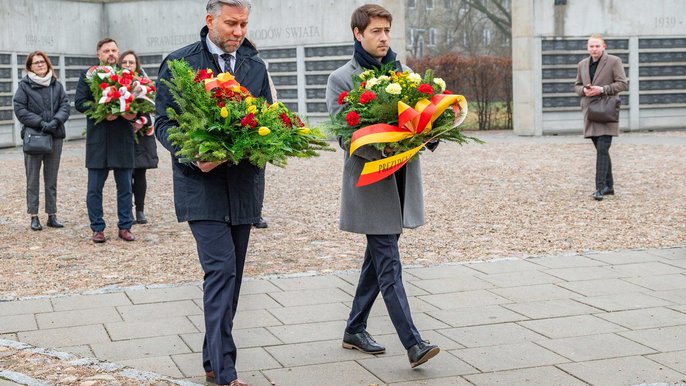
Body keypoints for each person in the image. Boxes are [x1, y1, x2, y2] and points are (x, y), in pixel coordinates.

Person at [155, 1, 272, 385]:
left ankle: (211, 358)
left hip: (243, 186)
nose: (239, 31)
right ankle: (225, 372)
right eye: (232, 23)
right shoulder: (179, 63)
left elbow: (268, 120)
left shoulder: (254, 66)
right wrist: (193, 155)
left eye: (244, 24)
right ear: (210, 21)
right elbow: (163, 124)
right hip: (199, 184)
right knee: (220, 270)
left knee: (233, 277)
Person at [325, 3, 440, 368]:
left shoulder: (403, 73)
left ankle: (354, 328)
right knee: (388, 263)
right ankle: (413, 342)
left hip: (403, 182)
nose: (383, 37)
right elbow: (347, 136)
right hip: (372, 184)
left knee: (376, 261)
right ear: (358, 34)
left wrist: (431, 131)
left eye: (386, 31)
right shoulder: (341, 79)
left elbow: (421, 116)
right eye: (375, 31)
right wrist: (387, 146)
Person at [75, 38, 137, 243]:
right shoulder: (88, 76)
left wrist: (131, 114)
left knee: (126, 188)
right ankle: (97, 228)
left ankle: (125, 226)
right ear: (98, 54)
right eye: (107, 50)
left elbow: (138, 104)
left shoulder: (127, 76)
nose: (111, 53)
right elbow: (79, 103)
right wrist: (102, 112)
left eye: (114, 50)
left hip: (123, 139)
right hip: (98, 140)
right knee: (94, 189)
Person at [13, 51, 70, 231]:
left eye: (42, 62)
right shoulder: (24, 86)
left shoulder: (56, 85)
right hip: (34, 137)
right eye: (36, 62)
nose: (40, 65)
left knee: (51, 179)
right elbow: (20, 109)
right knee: (32, 179)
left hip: (55, 136)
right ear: (30, 67)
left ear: (48, 64)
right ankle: (34, 216)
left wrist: (55, 122)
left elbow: (65, 105)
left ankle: (52, 215)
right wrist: (40, 123)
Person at [574, 34, 628, 201]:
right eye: (591, 46)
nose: (594, 49)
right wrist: (584, 90)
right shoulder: (582, 64)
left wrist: (602, 89)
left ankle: (599, 188)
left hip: (606, 111)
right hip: (590, 112)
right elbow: (577, 86)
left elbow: (622, 84)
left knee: (602, 150)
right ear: (587, 47)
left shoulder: (614, 61)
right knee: (601, 150)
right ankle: (609, 186)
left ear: (604, 46)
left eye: (597, 46)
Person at [118, 50, 159, 224]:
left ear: (137, 65)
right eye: (125, 62)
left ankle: (140, 210)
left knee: (140, 173)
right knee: (126, 176)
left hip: (142, 135)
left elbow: (153, 107)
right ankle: (128, 211)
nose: (128, 65)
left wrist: (141, 120)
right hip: (124, 134)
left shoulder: (145, 84)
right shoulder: (115, 83)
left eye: (131, 62)